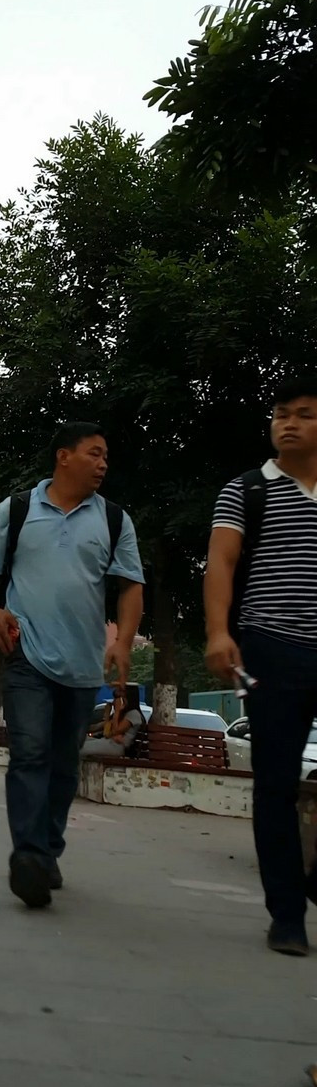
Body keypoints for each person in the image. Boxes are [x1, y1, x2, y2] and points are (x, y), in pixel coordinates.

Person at [0, 422, 144, 909]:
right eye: (94, 453)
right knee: (29, 752)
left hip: (84, 665)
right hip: (26, 654)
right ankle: (27, 856)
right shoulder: (18, 509)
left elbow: (131, 584)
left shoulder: (114, 519)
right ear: (64, 456)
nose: (103, 463)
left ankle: (47, 849)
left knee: (64, 764)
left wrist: (123, 642)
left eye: (106, 456)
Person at [205, 377, 317, 958]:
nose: (289, 423)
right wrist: (218, 632)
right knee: (276, 783)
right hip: (271, 647)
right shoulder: (246, 490)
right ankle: (287, 915)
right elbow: (221, 563)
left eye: (304, 414)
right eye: (281, 413)